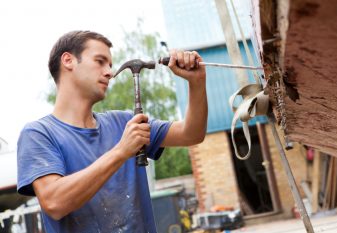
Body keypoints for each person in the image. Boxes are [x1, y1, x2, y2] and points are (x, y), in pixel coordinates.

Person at [17, 30, 207, 233]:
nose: (109, 72)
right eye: (100, 61)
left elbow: (191, 133)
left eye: (110, 64)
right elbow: (54, 203)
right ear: (68, 60)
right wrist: (121, 151)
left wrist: (196, 82)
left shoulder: (124, 122)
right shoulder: (38, 134)